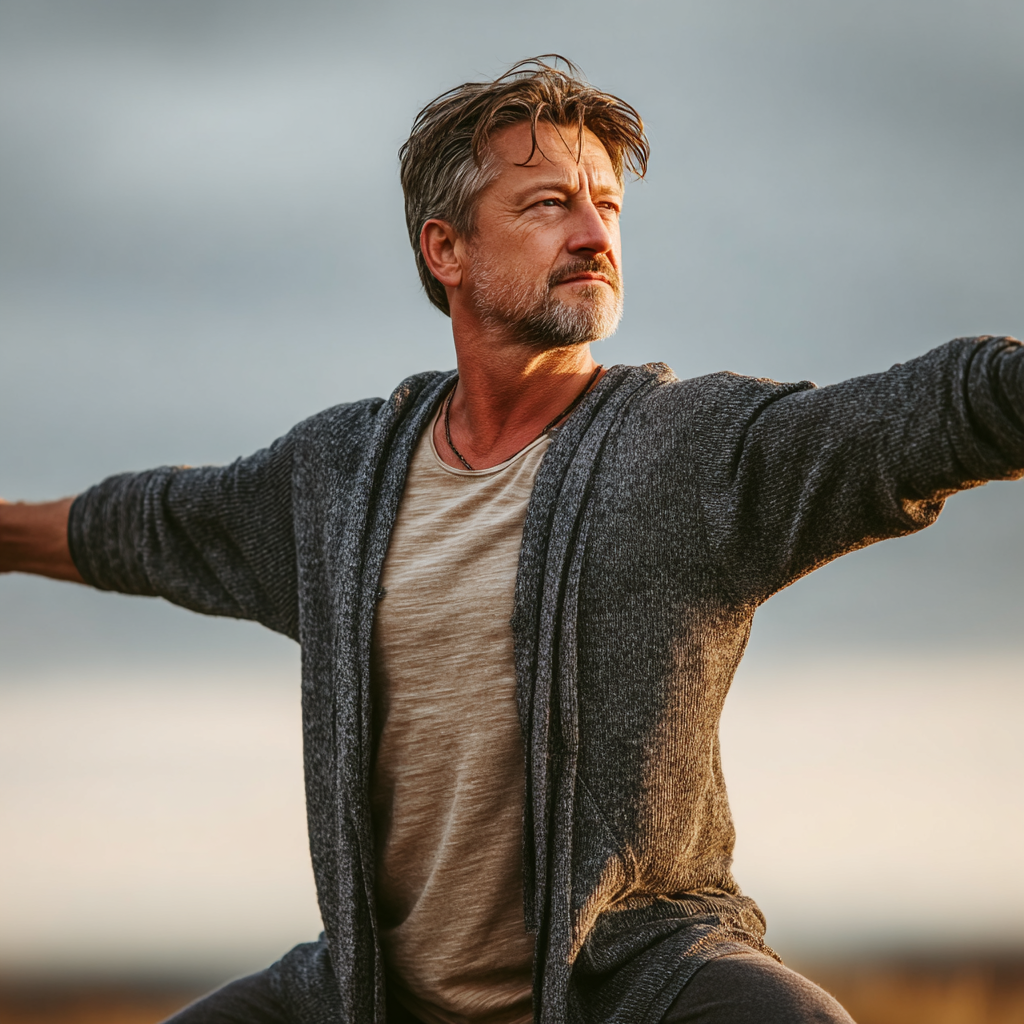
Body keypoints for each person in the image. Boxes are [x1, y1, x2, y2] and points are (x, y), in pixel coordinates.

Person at [1, 56, 1021, 1024]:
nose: (594, 234)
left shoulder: (682, 452)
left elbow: (914, 417)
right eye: (548, 205)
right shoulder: (336, 480)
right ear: (446, 249)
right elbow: (149, 524)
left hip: (633, 976)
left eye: (607, 207)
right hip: (367, 991)